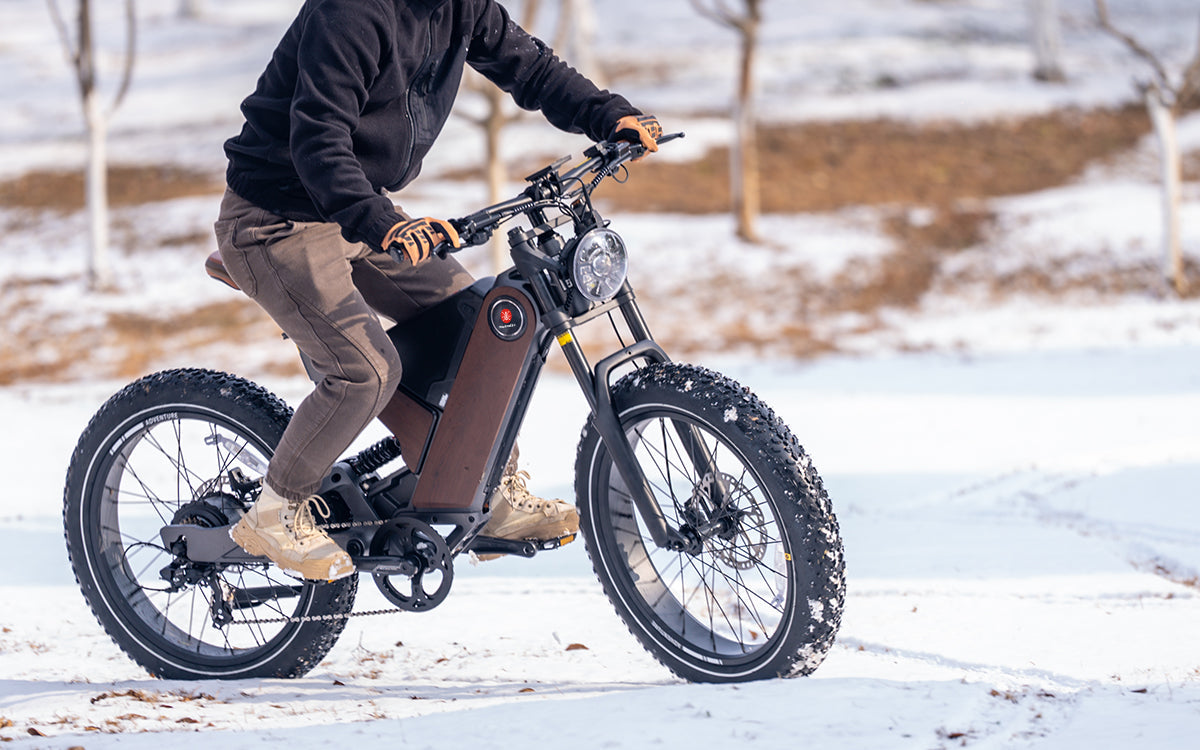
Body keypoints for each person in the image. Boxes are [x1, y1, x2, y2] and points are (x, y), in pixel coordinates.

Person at [213, 0, 662, 582]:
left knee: (484, 324)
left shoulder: (461, 5)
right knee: (365, 371)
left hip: (355, 208)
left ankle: (487, 486)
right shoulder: (350, 13)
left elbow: (530, 68)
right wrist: (385, 224)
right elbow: (318, 139)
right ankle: (274, 510)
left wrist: (608, 115)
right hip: (275, 220)